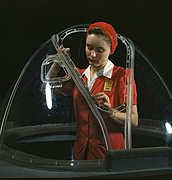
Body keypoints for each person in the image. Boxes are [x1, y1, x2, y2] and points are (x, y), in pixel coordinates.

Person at [47, 22, 138, 160]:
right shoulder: (78, 76)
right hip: (81, 153)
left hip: (110, 154)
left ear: (110, 50)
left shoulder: (122, 76)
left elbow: (134, 120)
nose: (93, 54)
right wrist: (57, 63)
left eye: (100, 50)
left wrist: (110, 113)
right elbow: (46, 90)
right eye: (89, 47)